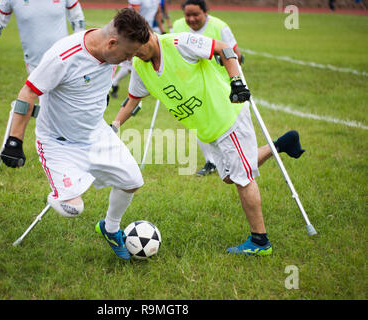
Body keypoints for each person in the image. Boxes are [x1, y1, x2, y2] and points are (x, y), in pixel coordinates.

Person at [112, 31, 305, 256]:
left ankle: (260, 241)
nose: (134, 55)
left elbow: (225, 49)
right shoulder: (139, 64)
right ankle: (280, 144)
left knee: (243, 178)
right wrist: (114, 125)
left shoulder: (179, 43)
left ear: (147, 36)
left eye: (136, 49)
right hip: (206, 127)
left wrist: (237, 83)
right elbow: (133, 98)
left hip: (227, 117)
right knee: (229, 176)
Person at [0, 9, 151, 260]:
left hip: (96, 134)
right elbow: (27, 93)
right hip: (59, 143)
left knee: (133, 181)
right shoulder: (63, 56)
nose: (129, 60)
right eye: (127, 54)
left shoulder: (113, 52)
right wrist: (14, 141)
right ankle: (62, 192)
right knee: (72, 208)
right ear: (112, 43)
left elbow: (149, 48)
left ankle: (110, 229)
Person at [173, 0, 243, 177]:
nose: (191, 19)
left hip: (219, 83)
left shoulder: (220, 27)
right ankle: (211, 161)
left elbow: (236, 54)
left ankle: (234, 157)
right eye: (187, 15)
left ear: (206, 12)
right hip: (191, 83)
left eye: (196, 14)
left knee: (224, 122)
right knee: (198, 120)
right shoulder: (178, 25)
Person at [0, 0, 86, 74]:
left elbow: (77, 18)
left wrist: (79, 47)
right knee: (40, 99)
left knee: (63, 101)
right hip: (34, 62)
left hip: (64, 59)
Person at [110, 0, 165, 99]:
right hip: (136, 35)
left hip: (149, 33)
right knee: (132, 64)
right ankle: (114, 84)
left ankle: (115, 84)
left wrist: (162, 30)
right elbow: (135, 16)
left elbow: (158, 13)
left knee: (138, 64)